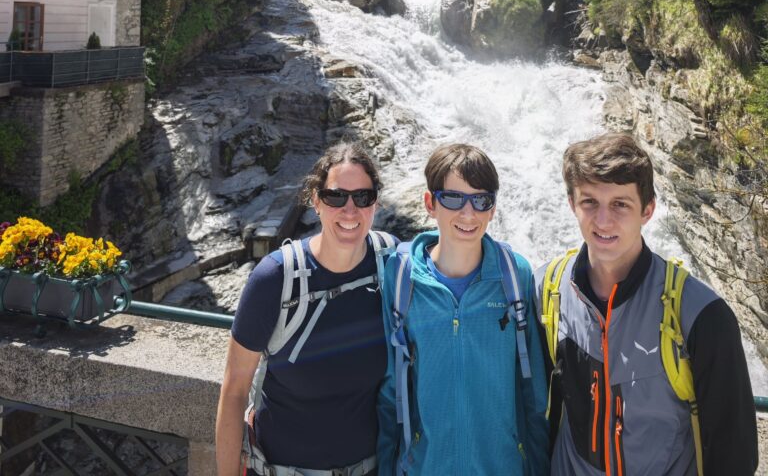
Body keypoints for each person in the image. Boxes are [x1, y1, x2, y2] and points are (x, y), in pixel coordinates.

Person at [535, 132, 758, 476]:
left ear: (648, 210)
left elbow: (734, 451)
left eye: (620, 204)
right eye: (589, 202)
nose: (603, 220)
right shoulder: (548, 289)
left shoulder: (700, 314)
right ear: (571, 204)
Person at [216, 141, 395, 476]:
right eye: (336, 197)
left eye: (363, 197)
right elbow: (235, 388)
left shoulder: (390, 263)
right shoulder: (275, 278)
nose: (350, 210)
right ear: (316, 201)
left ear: (376, 203)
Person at [377, 142, 549, 476]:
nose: (468, 214)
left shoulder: (515, 277)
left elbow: (534, 395)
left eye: (480, 200)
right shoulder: (400, 279)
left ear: (493, 208)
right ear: (430, 203)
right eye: (453, 199)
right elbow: (389, 391)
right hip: (426, 467)